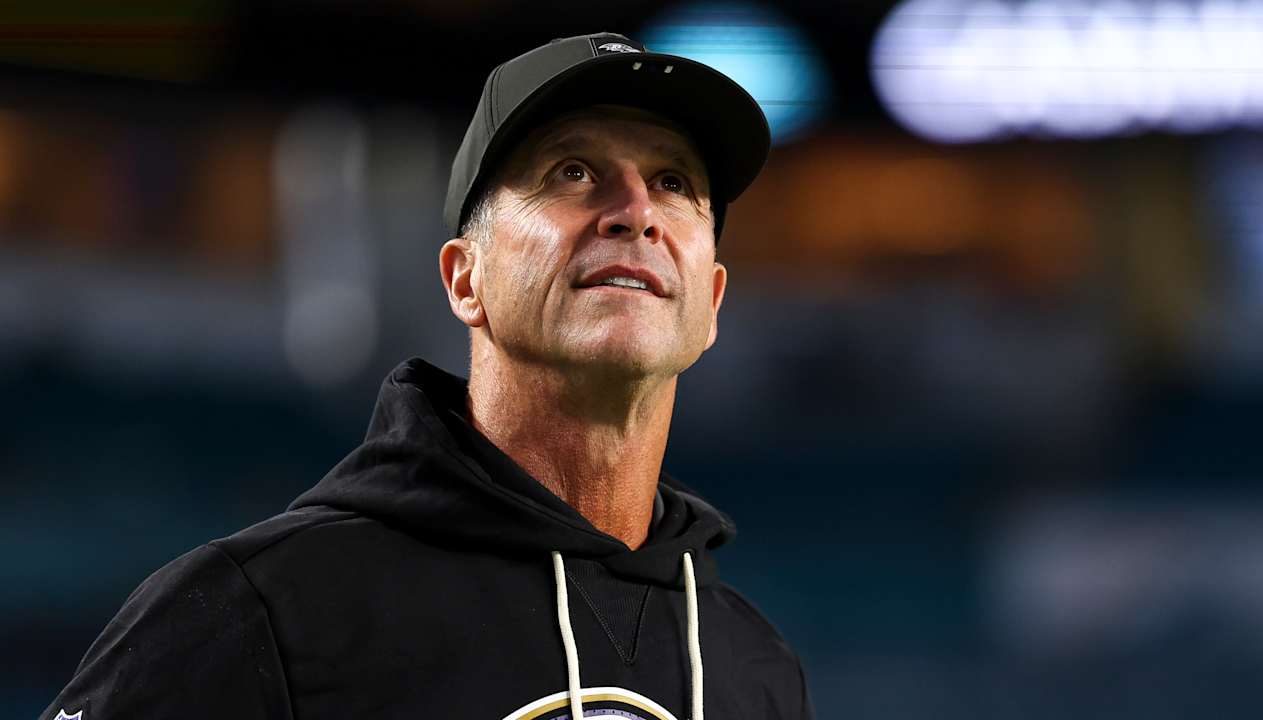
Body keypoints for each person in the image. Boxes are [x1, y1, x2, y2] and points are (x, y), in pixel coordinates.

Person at [44, 32, 812, 720]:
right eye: (573, 171)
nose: (636, 212)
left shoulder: (756, 669)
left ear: (710, 304)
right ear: (465, 280)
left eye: (674, 182)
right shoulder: (264, 608)